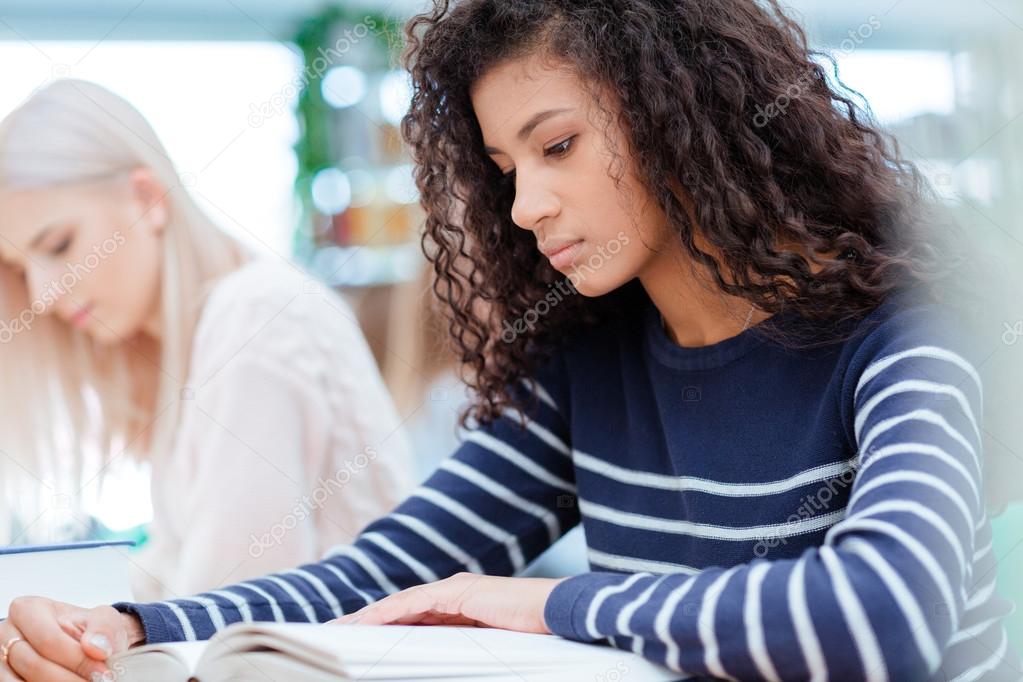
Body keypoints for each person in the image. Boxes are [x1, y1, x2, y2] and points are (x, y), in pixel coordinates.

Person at [3, 2, 1020, 680]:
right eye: (504, 167)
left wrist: (547, 605)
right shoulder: (587, 371)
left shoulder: (902, 333)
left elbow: (884, 616)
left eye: (558, 145)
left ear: (684, 113)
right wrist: (135, 628)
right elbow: (379, 577)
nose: (527, 204)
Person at [0, 79, 413, 602]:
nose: (40, 296)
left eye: (59, 245)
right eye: (20, 270)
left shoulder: (256, 317)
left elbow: (227, 606)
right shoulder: (196, 346)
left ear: (148, 198)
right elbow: (175, 568)